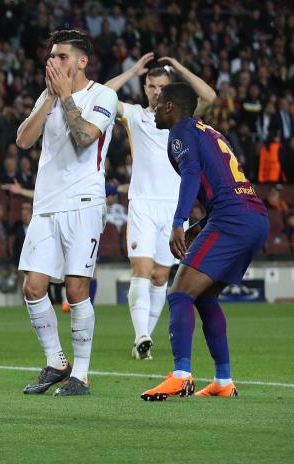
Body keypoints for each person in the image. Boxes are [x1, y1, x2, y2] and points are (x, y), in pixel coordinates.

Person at [141, 83, 268, 401]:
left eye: (158, 105)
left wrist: (178, 223)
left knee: (179, 293)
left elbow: (192, 174)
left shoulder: (181, 131)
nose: (154, 110)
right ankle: (223, 380)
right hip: (254, 217)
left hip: (231, 219)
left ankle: (181, 376)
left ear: (170, 107)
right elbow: (223, 185)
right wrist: (199, 227)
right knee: (205, 296)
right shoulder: (210, 132)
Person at [14, 30, 118, 396]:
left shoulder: (104, 95)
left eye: (60, 56)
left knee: (76, 289)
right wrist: (50, 100)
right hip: (46, 206)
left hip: (84, 204)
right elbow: (23, 140)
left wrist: (67, 100)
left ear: (81, 61)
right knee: (33, 286)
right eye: (51, 56)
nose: (52, 61)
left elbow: (85, 137)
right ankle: (56, 362)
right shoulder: (48, 96)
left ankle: (82, 375)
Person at [105, 52, 217, 360]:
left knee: (159, 277)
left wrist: (180, 66)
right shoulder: (134, 115)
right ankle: (141, 335)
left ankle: (144, 341)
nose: (156, 92)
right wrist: (131, 71)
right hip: (141, 204)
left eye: (161, 87)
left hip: (172, 209)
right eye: (151, 86)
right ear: (144, 88)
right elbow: (100, 96)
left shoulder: (182, 120)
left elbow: (209, 95)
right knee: (141, 271)